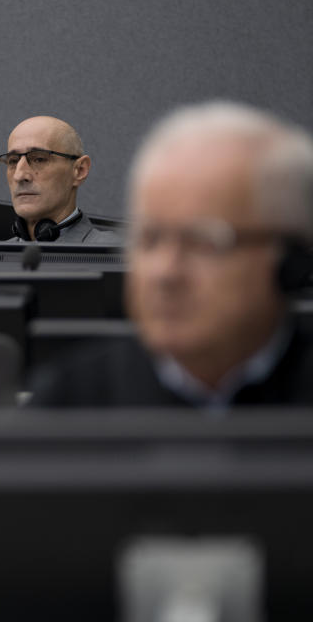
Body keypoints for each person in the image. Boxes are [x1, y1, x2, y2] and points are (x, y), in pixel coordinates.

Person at [30, 101, 313, 408]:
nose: (166, 273)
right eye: (150, 240)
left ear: (291, 260)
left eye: (204, 242)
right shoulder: (68, 400)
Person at [0, 115, 119, 243]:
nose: (19, 175)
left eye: (39, 159)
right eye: (13, 161)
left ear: (79, 170)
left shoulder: (118, 256)